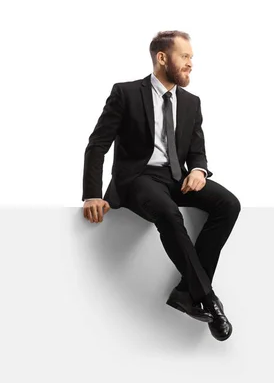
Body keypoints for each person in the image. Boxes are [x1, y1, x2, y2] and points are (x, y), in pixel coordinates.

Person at [81, 30, 240, 342]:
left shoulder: (191, 102)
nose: (191, 64)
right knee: (168, 213)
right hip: (137, 178)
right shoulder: (125, 93)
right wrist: (91, 194)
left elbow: (197, 148)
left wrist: (198, 169)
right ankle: (208, 298)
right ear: (162, 58)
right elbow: (97, 145)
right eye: (185, 56)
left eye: (192, 58)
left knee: (228, 204)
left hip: (176, 178)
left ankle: (186, 291)